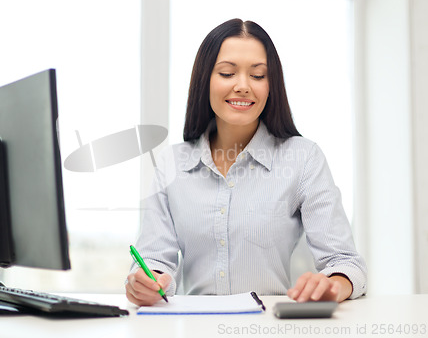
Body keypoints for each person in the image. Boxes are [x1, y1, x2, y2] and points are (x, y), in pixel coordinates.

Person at [125, 18, 367, 306]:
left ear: (271, 85)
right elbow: (153, 259)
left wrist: (333, 286)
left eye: (258, 75)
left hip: (268, 327)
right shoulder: (172, 163)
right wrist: (146, 281)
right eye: (227, 73)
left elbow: (346, 263)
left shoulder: (303, 158)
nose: (242, 86)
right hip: (194, 327)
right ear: (206, 80)